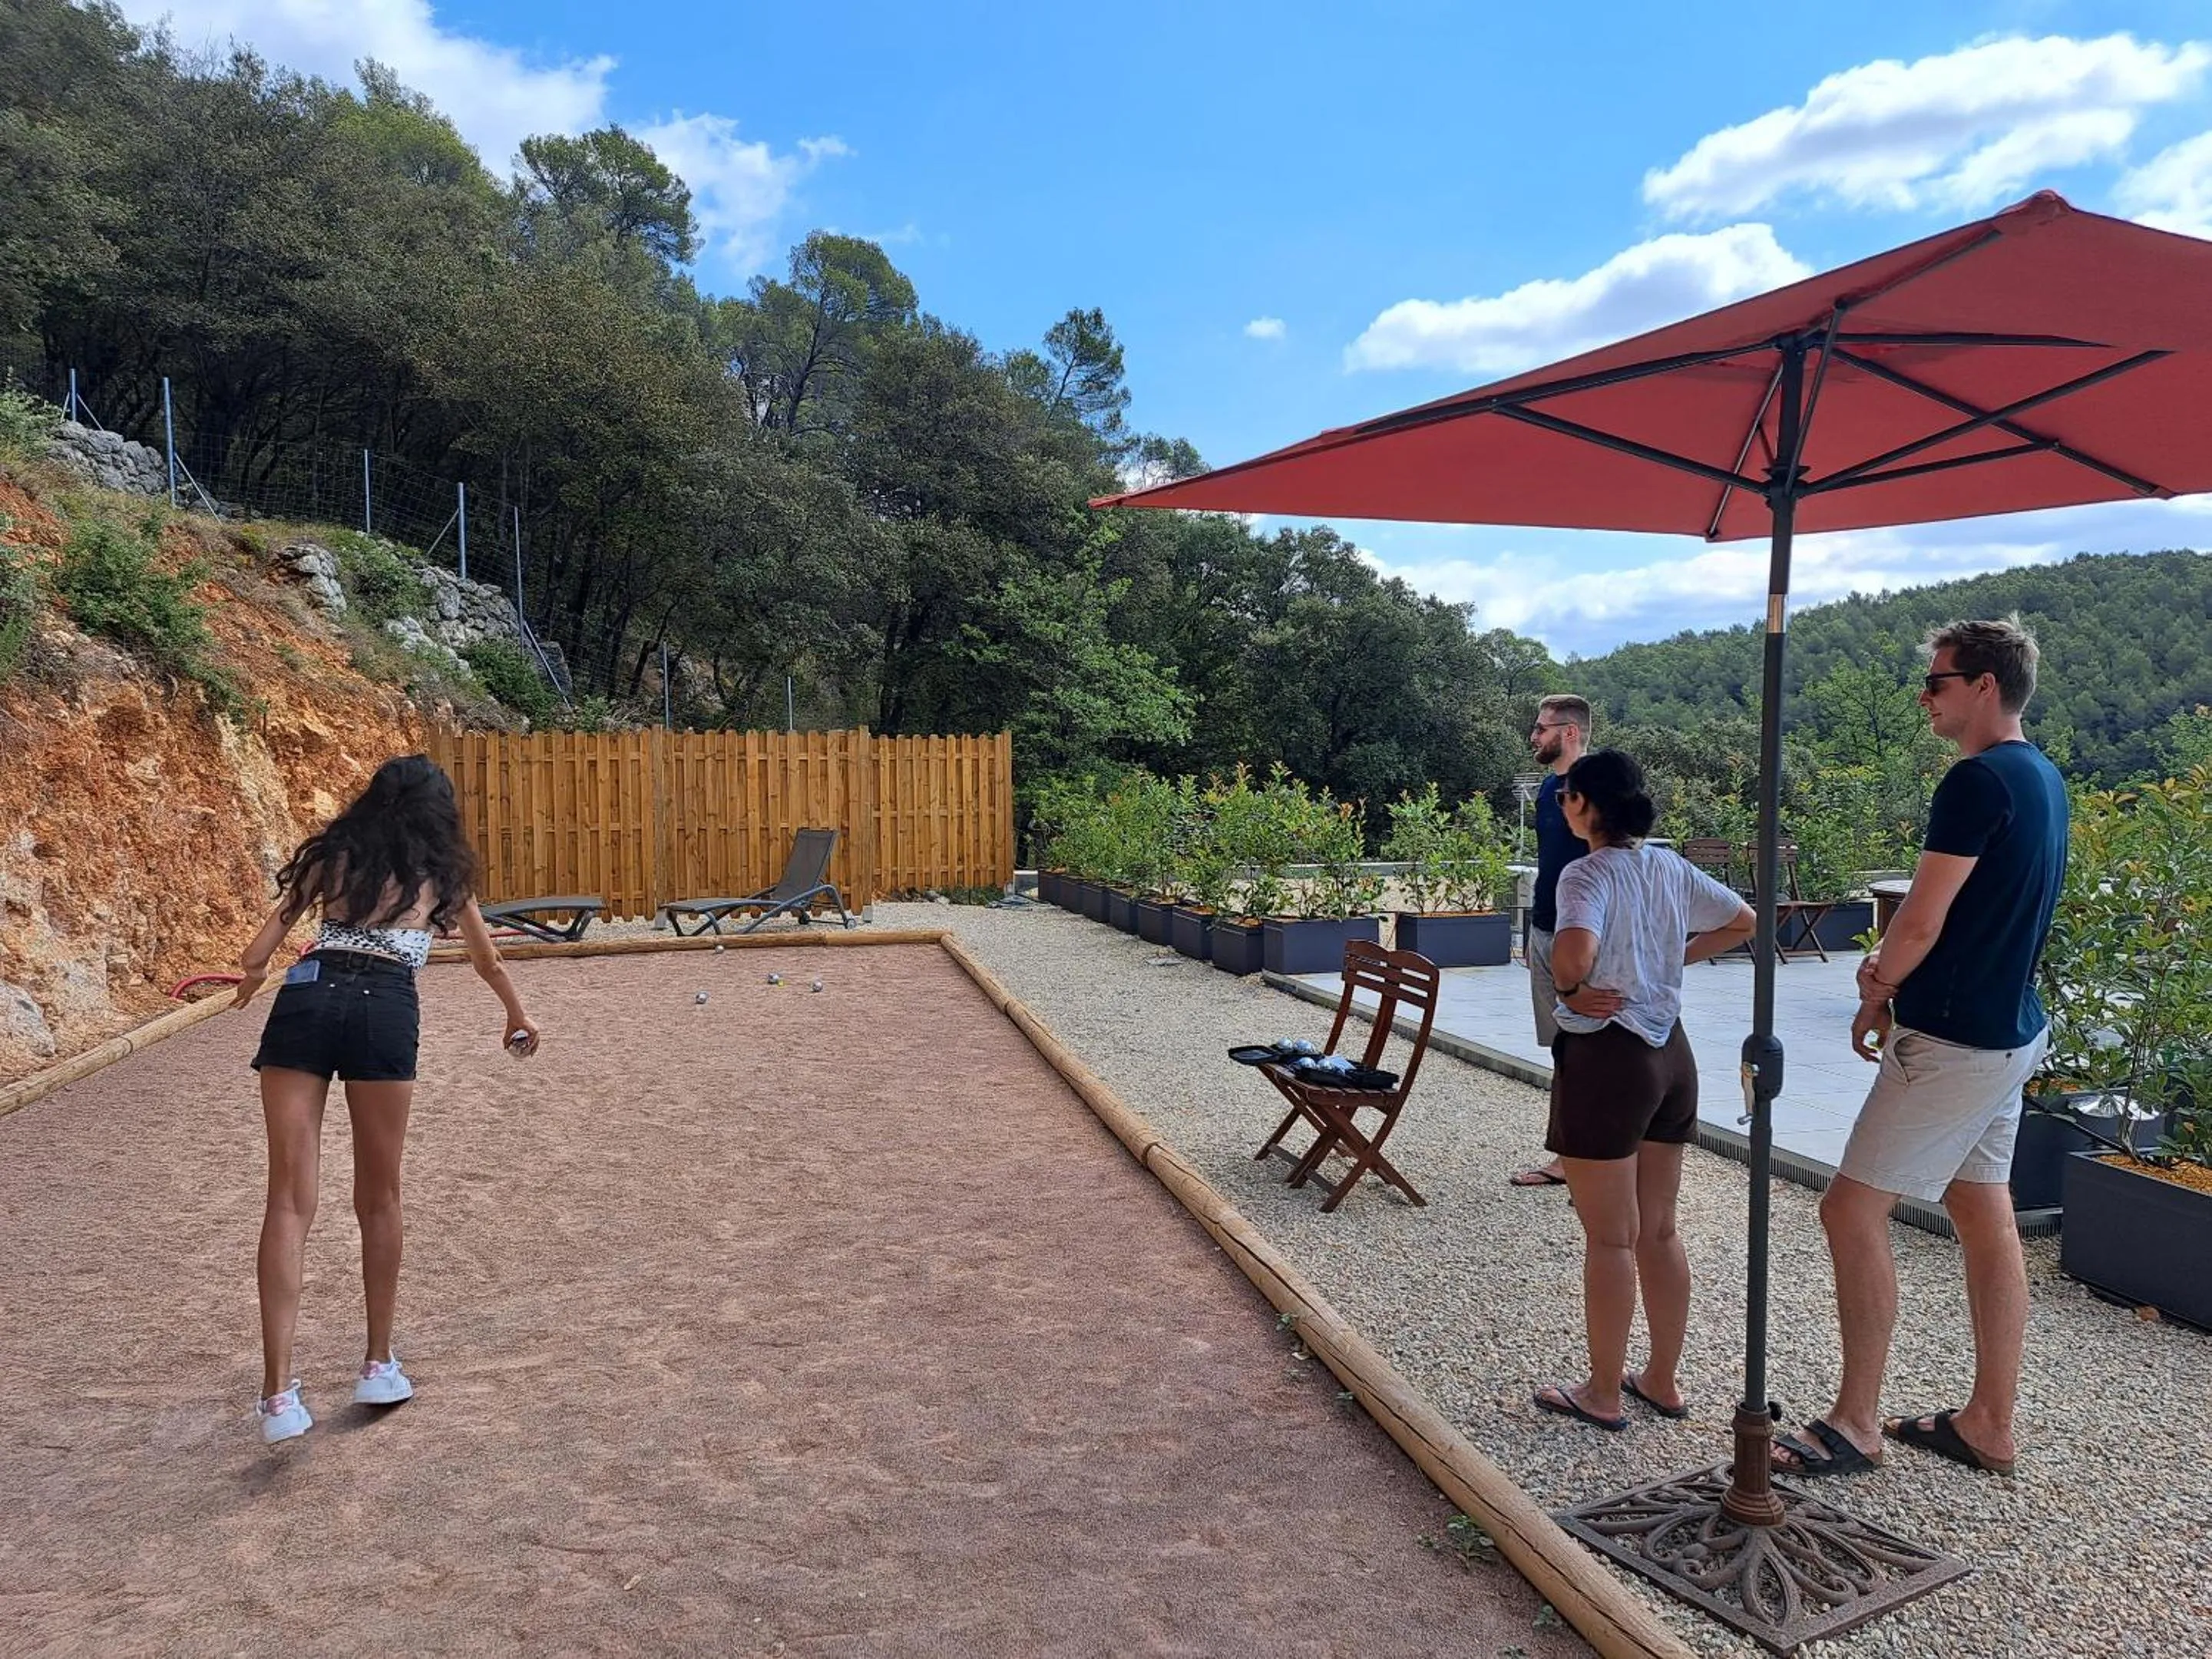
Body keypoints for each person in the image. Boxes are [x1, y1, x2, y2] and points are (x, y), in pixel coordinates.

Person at [1774, 619, 2066, 1481]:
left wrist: (1876, 984)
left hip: (1950, 1038)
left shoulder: (1974, 781)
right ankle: (1988, 1423)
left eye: (1936, 681)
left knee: (1848, 1209)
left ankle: (1855, 1422)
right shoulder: (2044, 776)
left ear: (1983, 685)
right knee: (1983, 1209)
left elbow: (1922, 915)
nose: (1925, 696)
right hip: (2009, 1028)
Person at [232, 754, 538, 1444]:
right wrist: (516, 1014)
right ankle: (376, 1363)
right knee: (379, 1197)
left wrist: (251, 978)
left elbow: (270, 936)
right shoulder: (442, 873)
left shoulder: (334, 853)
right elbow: (487, 960)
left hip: (306, 998)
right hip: (383, 1005)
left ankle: (278, 1396)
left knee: (287, 1199)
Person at [1533, 749, 1754, 1432]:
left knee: (1609, 1238)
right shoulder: (1667, 864)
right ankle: (1660, 1377)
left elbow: (1572, 954)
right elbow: (1743, 919)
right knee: (1658, 1228)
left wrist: (1571, 987)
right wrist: (1670, 958)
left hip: (1608, 1057)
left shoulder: (1585, 872)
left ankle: (1601, 1391)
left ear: (1584, 804)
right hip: (1671, 1055)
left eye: (1568, 796)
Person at [1511, 694, 1593, 1188]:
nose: (1534, 736)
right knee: (1562, 1048)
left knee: (1581, 1048)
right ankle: (1572, 1154)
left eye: (1542, 728)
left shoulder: (1597, 790)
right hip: (1543, 928)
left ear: (1569, 732)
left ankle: (1575, 1159)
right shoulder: (1547, 791)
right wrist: (1530, 933)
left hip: (1578, 936)